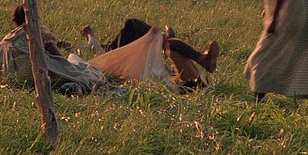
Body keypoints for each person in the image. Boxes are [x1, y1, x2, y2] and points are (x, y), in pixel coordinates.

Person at [0, 5, 106, 96]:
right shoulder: (37, 30)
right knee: (85, 71)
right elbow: (60, 58)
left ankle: (69, 86)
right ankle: (74, 86)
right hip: (36, 74)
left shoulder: (6, 40)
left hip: (15, 80)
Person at [81, 18, 219, 90]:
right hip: (188, 82)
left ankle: (166, 40)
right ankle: (202, 59)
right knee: (136, 26)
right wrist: (89, 33)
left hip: (181, 80)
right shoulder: (112, 54)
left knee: (135, 26)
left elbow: (95, 47)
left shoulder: (107, 53)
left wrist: (89, 33)